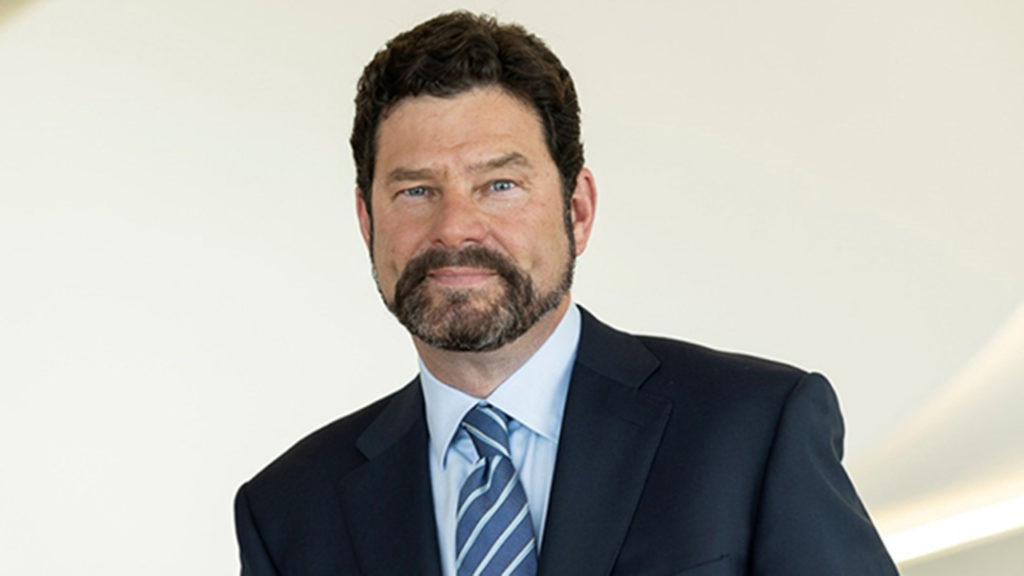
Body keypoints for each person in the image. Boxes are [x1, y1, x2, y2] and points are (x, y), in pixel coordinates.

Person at [234, 11, 898, 576]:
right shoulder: (289, 511)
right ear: (367, 221)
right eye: (415, 190)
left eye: (499, 185)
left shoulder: (752, 430)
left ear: (577, 211)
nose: (455, 227)